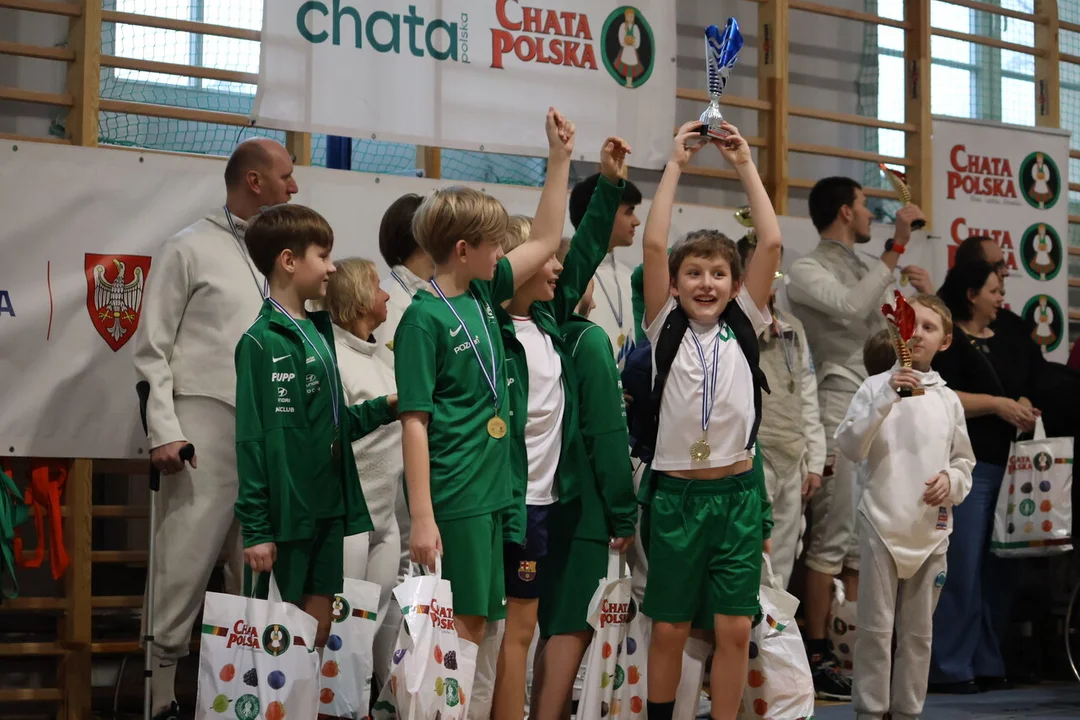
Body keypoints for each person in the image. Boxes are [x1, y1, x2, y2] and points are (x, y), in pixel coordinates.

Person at [393, 107, 576, 715]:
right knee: (464, 628)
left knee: (488, 628)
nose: (506, 253)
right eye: (496, 244)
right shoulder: (423, 318)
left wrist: (559, 160)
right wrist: (423, 518)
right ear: (464, 249)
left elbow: (545, 240)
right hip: (459, 493)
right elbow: (414, 421)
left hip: (499, 492)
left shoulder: (484, 294)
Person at [132, 137, 298, 720]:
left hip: (269, 436)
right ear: (255, 181)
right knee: (182, 563)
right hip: (203, 430)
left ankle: (240, 701)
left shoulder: (283, 257)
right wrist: (164, 431)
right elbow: (151, 350)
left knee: (256, 573)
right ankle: (159, 703)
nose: (294, 186)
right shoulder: (188, 247)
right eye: (286, 175)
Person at [637, 119, 780, 720]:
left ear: (736, 284)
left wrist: (744, 163)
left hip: (738, 499)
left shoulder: (745, 321)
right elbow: (653, 244)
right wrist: (675, 164)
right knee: (670, 629)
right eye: (693, 272)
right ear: (673, 284)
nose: (705, 283)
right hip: (676, 500)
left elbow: (770, 242)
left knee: (734, 630)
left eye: (718, 273)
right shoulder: (662, 324)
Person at [491, 137, 631, 720]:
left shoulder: (549, 319)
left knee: (523, 629)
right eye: (544, 259)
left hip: (545, 503)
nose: (558, 267)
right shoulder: (485, 325)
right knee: (499, 631)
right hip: (500, 502)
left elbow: (586, 248)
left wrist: (608, 183)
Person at [785, 176, 930, 699]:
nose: (871, 214)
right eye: (866, 206)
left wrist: (919, 296)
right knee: (831, 531)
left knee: (860, 539)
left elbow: (893, 335)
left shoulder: (874, 267)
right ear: (845, 211)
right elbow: (848, 307)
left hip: (878, 400)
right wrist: (894, 251)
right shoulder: (805, 269)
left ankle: (849, 650)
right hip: (834, 399)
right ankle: (814, 651)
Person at [234, 204, 398, 650]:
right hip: (287, 519)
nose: (331, 267)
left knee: (319, 634)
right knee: (277, 645)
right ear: (289, 261)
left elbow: (332, 426)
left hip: (328, 511)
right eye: (322, 256)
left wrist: (388, 407)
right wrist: (257, 529)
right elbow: (250, 440)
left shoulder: (318, 332)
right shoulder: (260, 341)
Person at [835, 294, 974, 720]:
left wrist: (950, 481)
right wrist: (887, 397)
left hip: (930, 532)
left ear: (945, 341)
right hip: (881, 524)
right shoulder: (874, 387)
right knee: (875, 630)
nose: (917, 335)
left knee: (918, 634)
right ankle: (870, 711)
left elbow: (963, 462)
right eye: (911, 326)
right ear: (897, 331)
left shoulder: (948, 400)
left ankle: (908, 712)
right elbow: (850, 445)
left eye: (929, 328)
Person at [930, 259, 1042, 693]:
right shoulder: (948, 340)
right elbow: (941, 393)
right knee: (962, 568)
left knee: (1000, 570)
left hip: (1011, 467)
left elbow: (1030, 379)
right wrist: (997, 405)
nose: (1001, 298)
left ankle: (989, 661)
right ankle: (952, 666)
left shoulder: (1010, 333)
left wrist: (1023, 404)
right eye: (994, 291)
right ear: (971, 293)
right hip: (968, 466)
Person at [320, 257, 403, 688]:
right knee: (341, 627)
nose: (386, 294)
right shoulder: (330, 358)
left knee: (371, 625)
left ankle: (361, 706)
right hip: (347, 518)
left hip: (385, 519)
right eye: (377, 287)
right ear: (358, 298)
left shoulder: (384, 362)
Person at [737, 237, 825, 589]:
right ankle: (742, 623)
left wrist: (815, 461)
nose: (769, 273)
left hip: (792, 458)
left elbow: (808, 395)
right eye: (760, 265)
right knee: (748, 554)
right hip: (751, 457)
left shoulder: (793, 329)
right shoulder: (732, 326)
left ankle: (775, 625)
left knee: (783, 560)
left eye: (774, 266)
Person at [567, 170, 643, 369]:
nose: (636, 221)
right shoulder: (569, 276)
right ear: (603, 211)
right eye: (628, 212)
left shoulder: (630, 276)